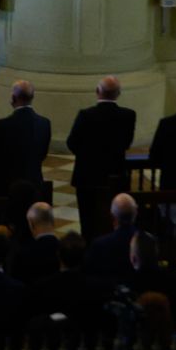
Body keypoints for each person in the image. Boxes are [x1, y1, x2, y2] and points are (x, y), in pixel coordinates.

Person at [68, 75, 137, 234]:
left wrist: (87, 156)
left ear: (97, 91)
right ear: (118, 93)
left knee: (88, 222)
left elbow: (72, 143)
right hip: (115, 174)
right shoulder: (128, 115)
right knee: (114, 222)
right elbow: (126, 143)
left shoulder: (85, 115)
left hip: (87, 176)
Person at [0, 79, 51, 190]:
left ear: (13, 98)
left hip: (8, 184)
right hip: (35, 182)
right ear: (32, 97)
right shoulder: (44, 123)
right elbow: (43, 154)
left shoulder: (2, 125)